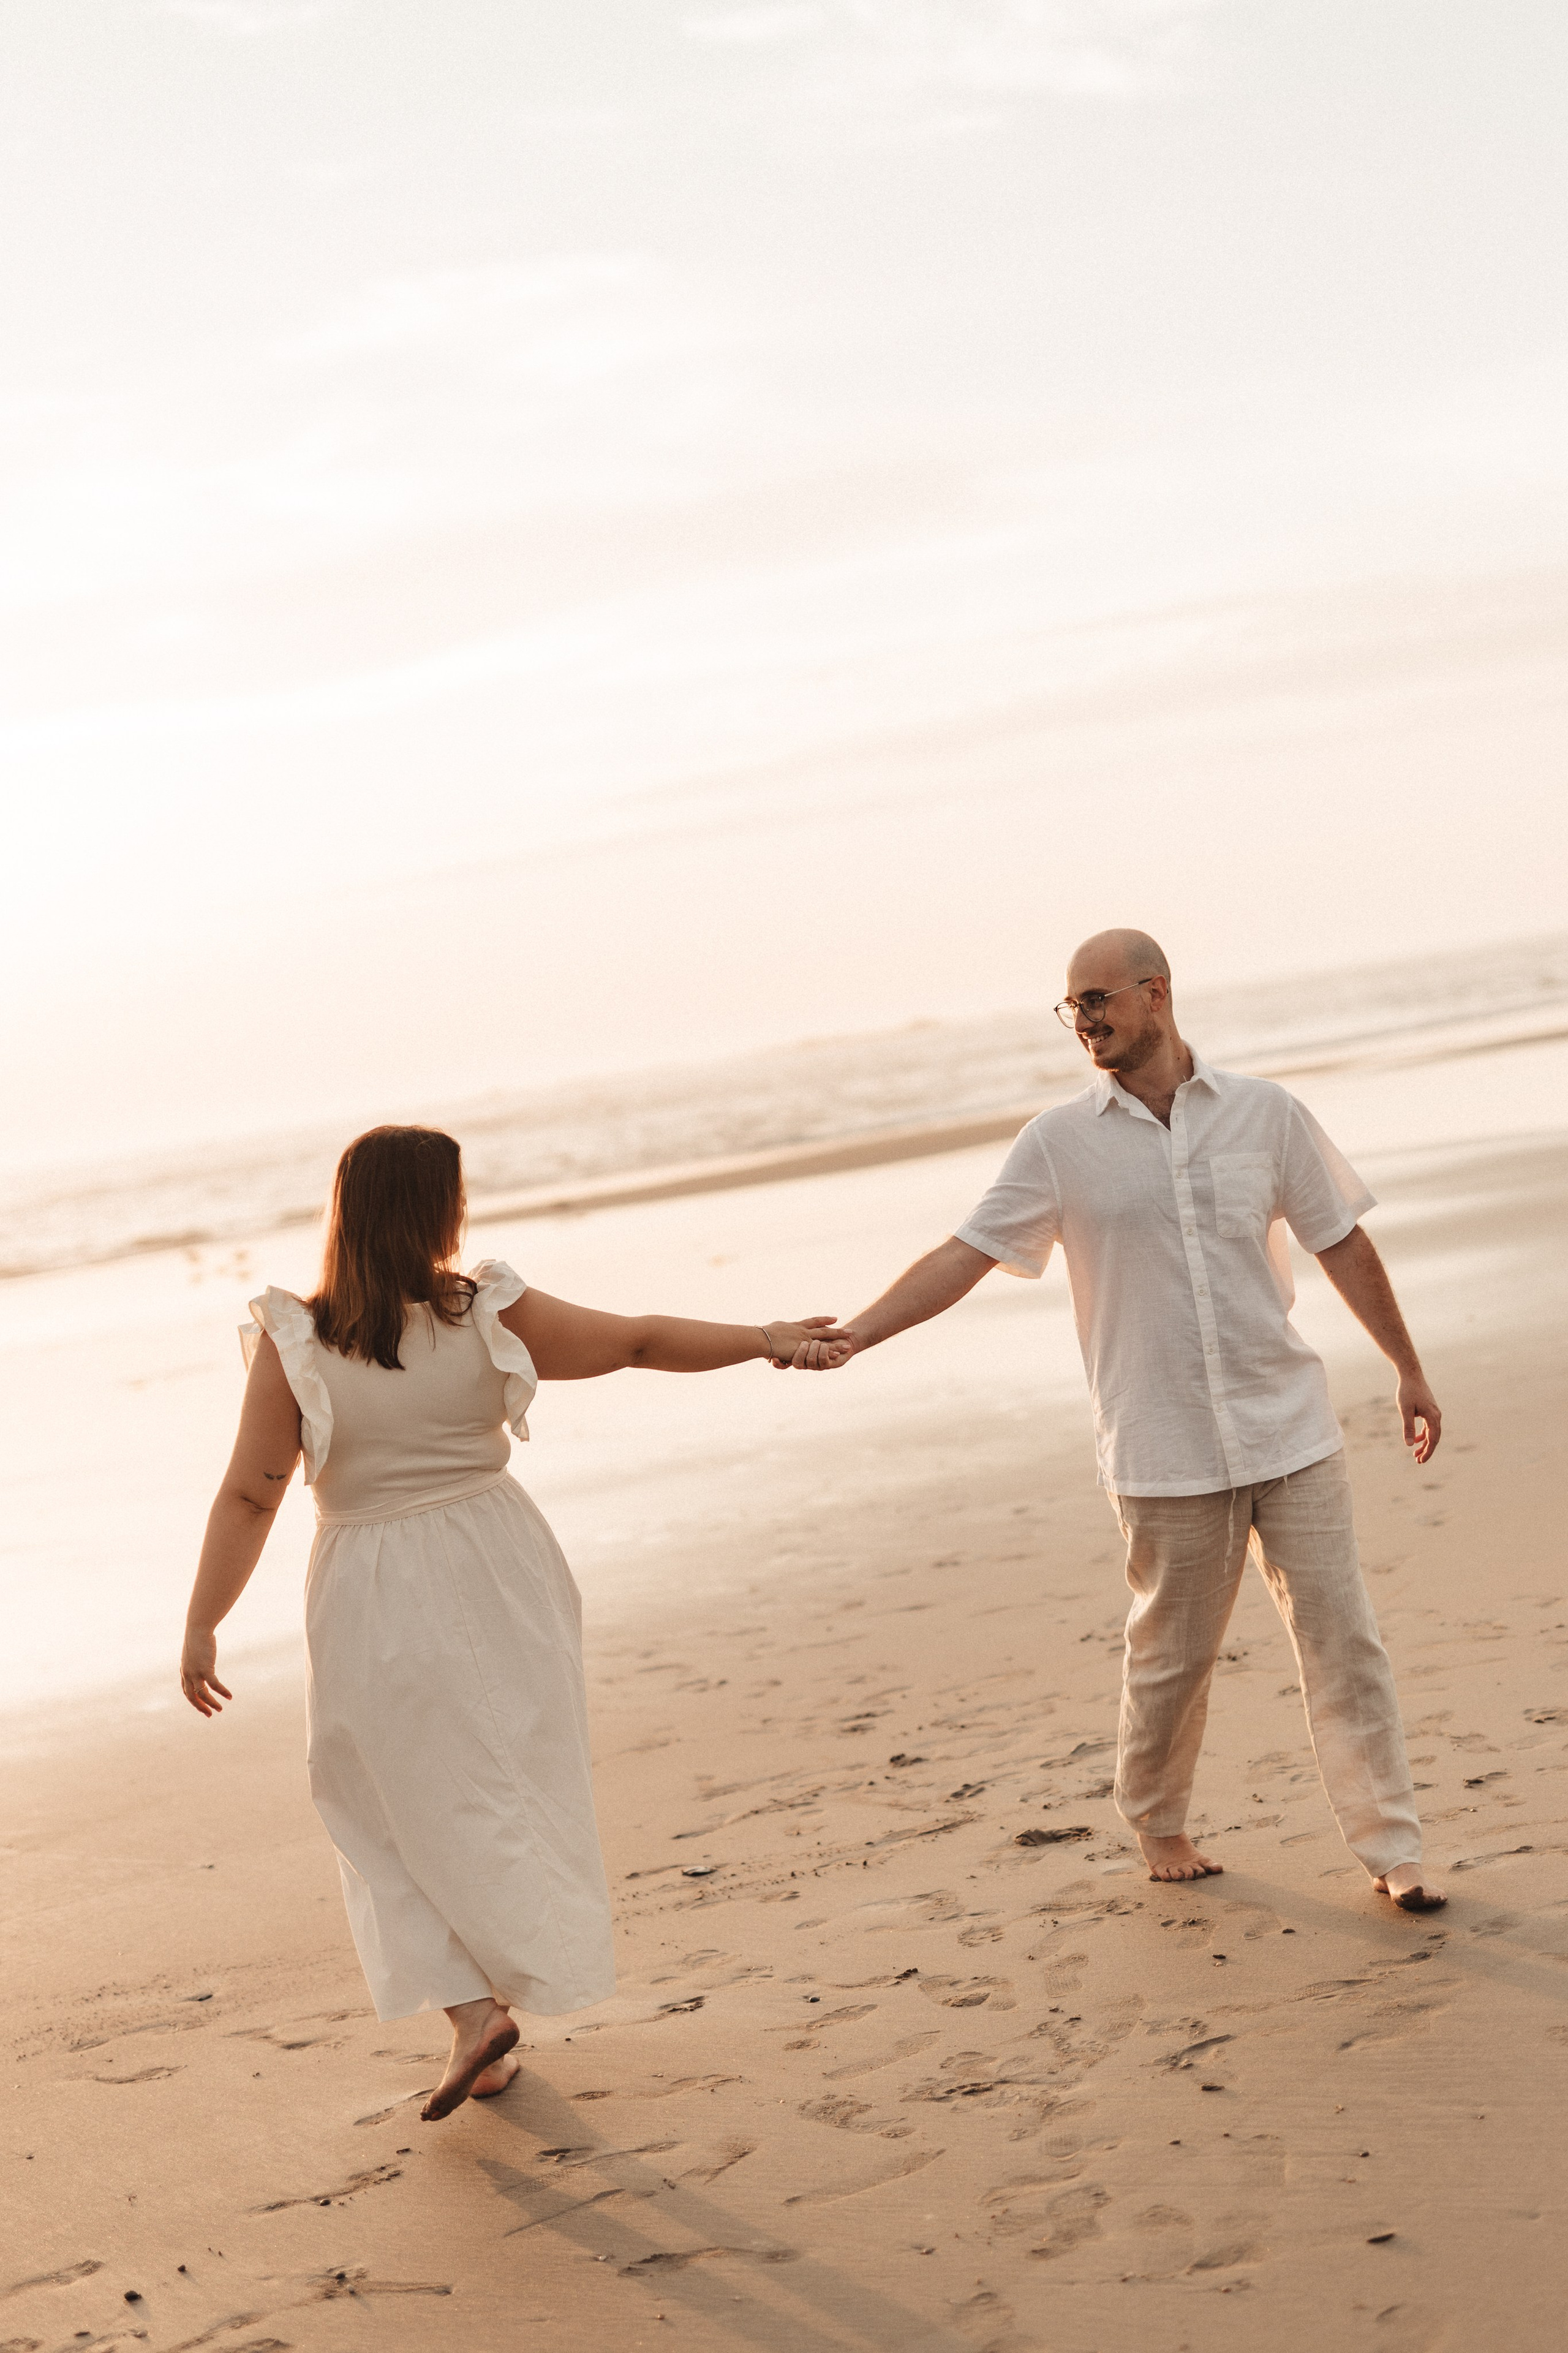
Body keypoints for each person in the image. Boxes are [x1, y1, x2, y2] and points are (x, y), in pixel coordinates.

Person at [180, 1124, 849, 2121]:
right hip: (502, 1560)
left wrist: (204, 1622)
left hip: (371, 1576)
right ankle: (487, 2019)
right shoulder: (485, 1310)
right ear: (433, 1209)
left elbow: (251, 1495)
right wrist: (764, 1338)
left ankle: (469, 2013)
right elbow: (636, 1340)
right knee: (500, 1774)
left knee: (373, 1800)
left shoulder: (300, 1339)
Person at [793, 929, 1444, 1912]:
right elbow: (966, 1252)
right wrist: (860, 1333)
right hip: (1161, 1444)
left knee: (1345, 1641)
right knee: (1172, 1657)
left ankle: (1392, 1847)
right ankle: (1160, 1818)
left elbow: (1341, 1241)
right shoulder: (1059, 1142)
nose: (1084, 1019)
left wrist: (1408, 1367)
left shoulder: (1266, 1114)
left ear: (1157, 993)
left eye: (1098, 998)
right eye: (1073, 1006)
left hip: (1289, 1426)